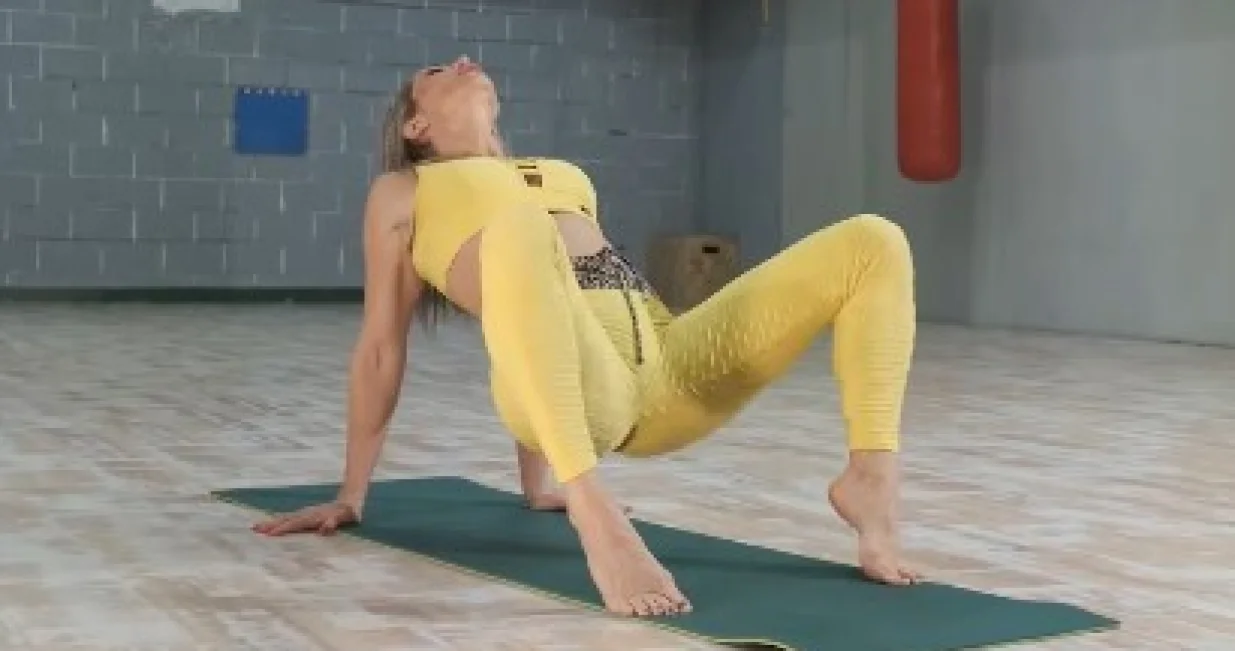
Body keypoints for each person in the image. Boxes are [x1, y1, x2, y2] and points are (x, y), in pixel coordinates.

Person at [252, 55, 921, 618]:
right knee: (521, 228)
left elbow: (548, 304)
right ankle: (594, 513)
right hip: (587, 395)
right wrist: (351, 495)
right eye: (436, 71)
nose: (461, 61)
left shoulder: (565, 176)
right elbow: (381, 346)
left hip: (668, 370)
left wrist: (533, 483)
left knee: (873, 241)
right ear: (416, 125)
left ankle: (869, 478)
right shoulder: (403, 191)